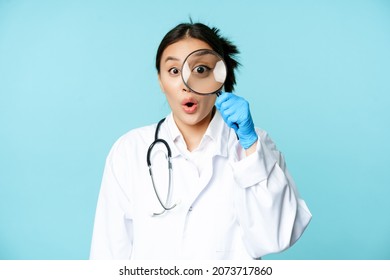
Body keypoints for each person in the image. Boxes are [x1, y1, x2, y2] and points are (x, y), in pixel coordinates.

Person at [89, 21, 312, 260]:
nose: (186, 85)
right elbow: (108, 254)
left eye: (201, 70)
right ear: (160, 81)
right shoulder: (130, 150)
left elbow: (276, 236)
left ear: (220, 77)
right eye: (174, 71)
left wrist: (249, 146)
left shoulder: (254, 145)